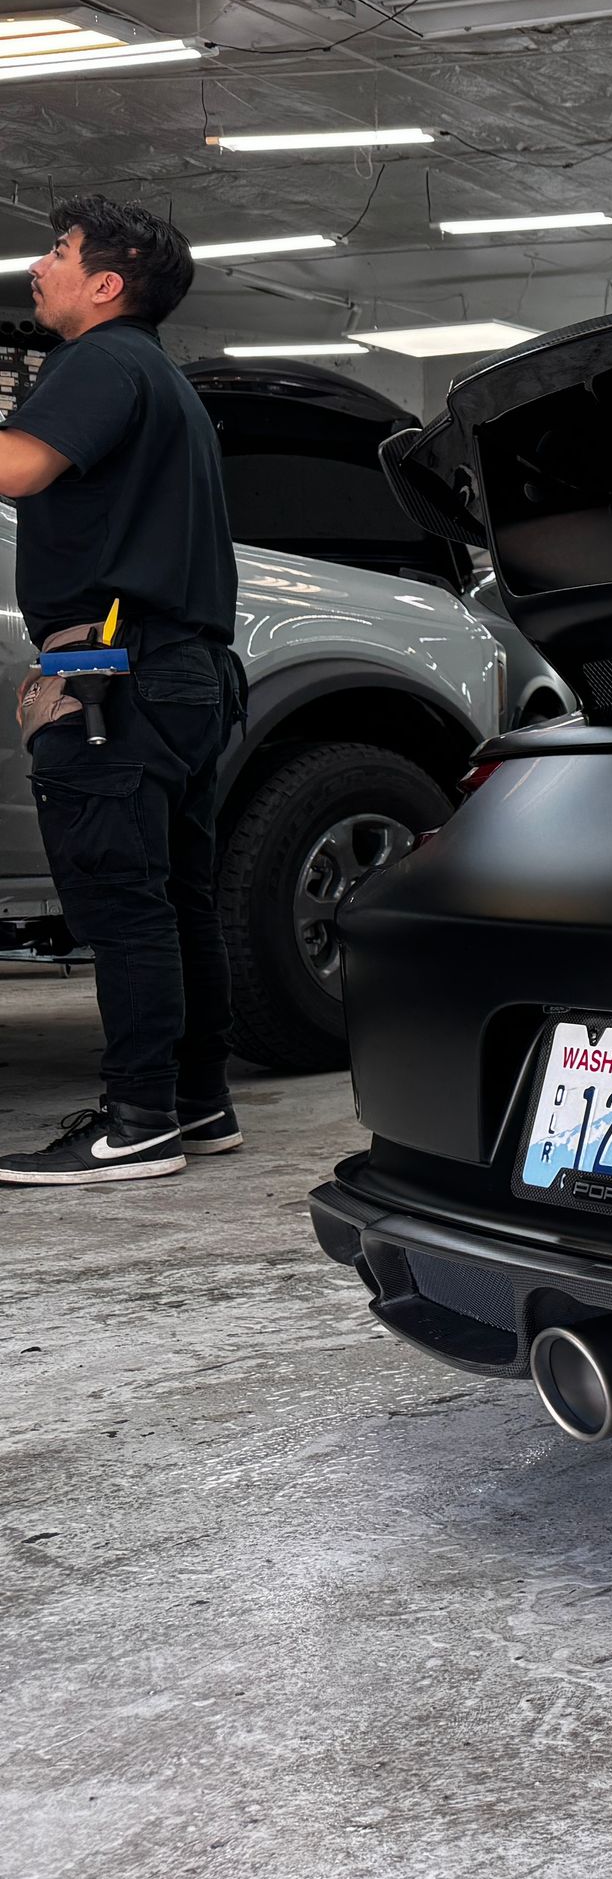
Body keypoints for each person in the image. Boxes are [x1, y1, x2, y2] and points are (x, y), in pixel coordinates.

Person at [0, 196, 246, 1184]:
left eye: (57, 253)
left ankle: (136, 1119)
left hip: (117, 676)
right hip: (177, 674)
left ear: (108, 281)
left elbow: (19, 468)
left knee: (124, 908)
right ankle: (197, 1102)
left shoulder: (99, 362)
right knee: (179, 900)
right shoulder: (161, 380)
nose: (38, 268)